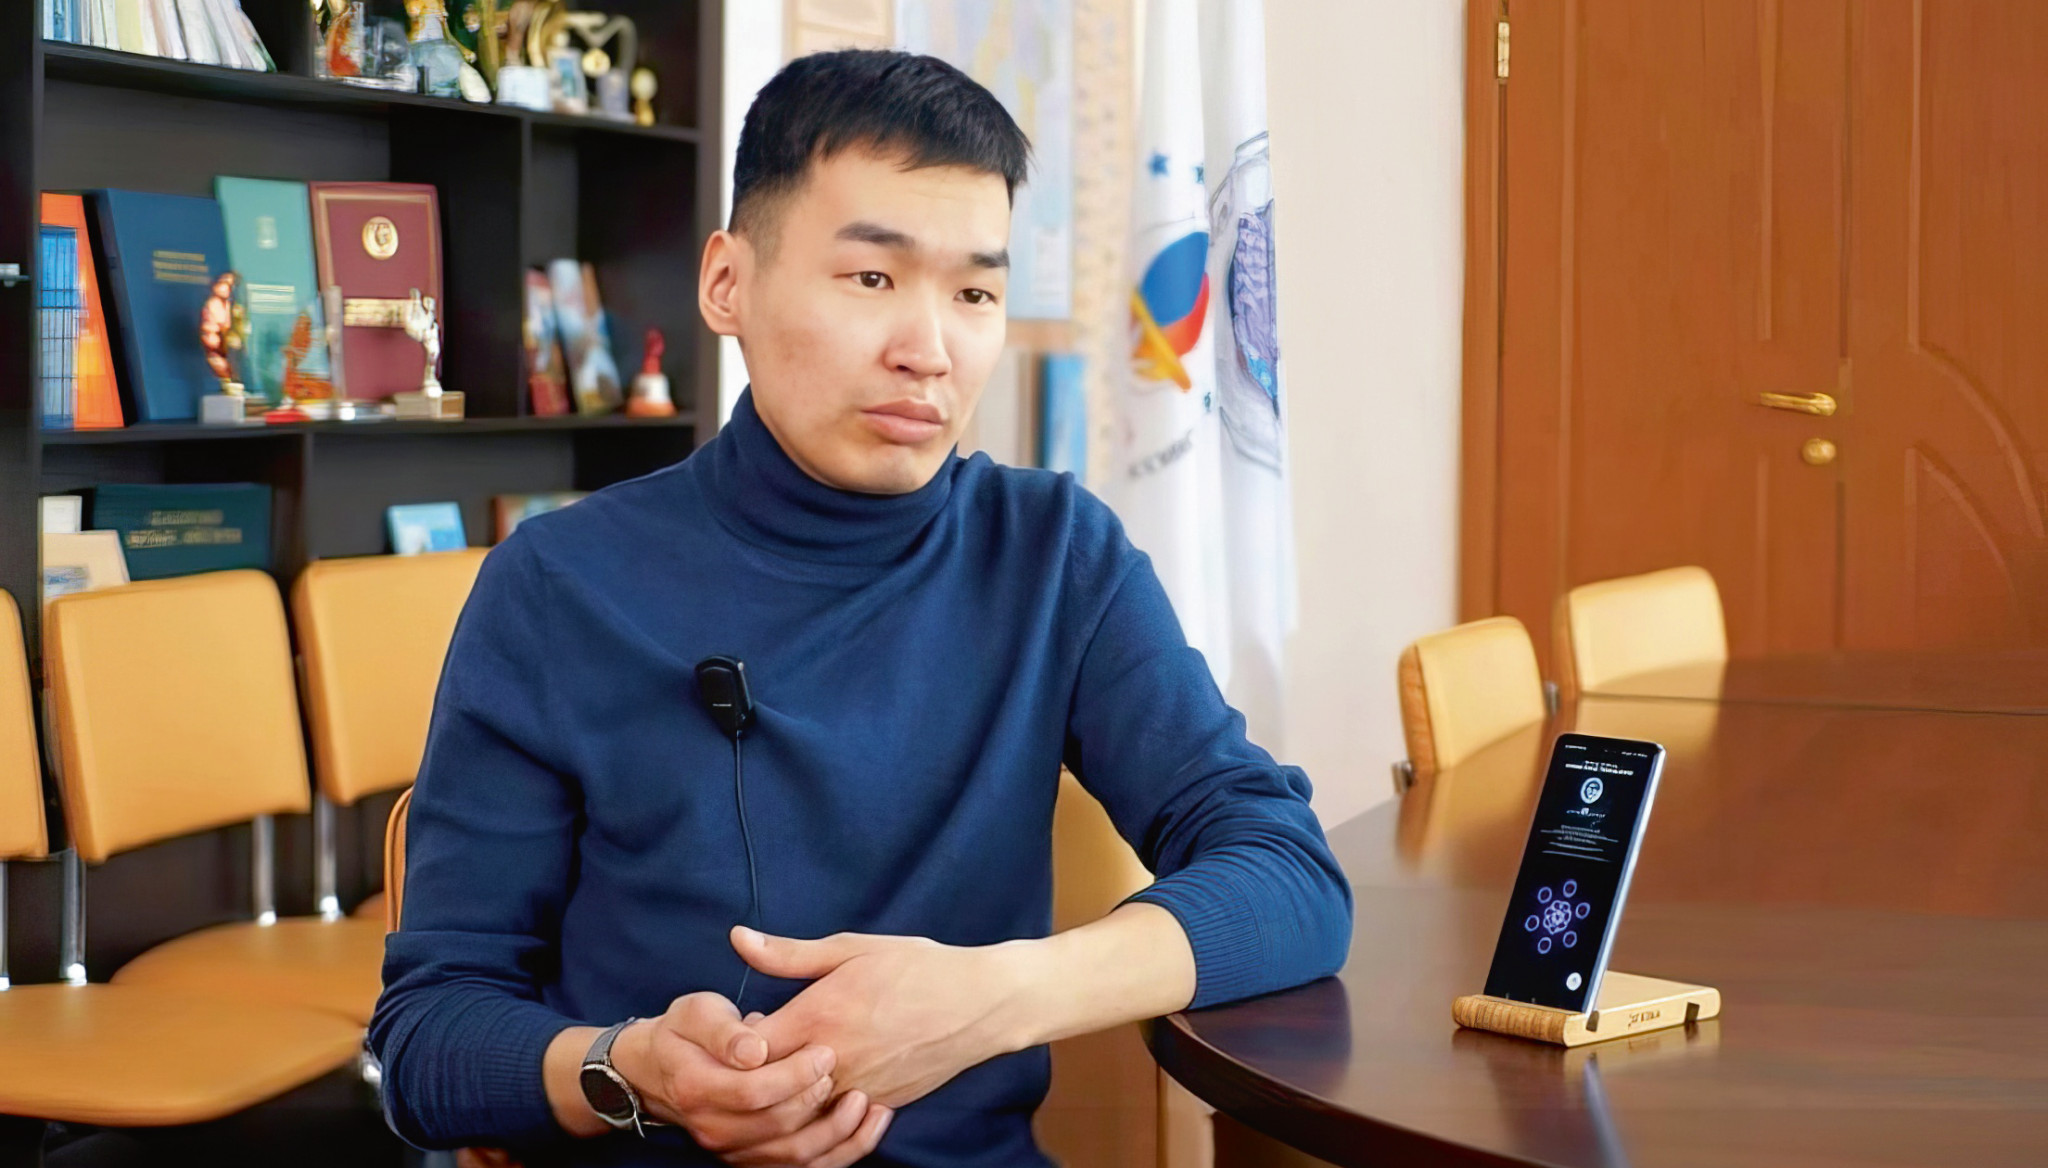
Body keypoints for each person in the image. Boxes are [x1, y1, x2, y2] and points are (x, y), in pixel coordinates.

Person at [369, 49, 1352, 1168]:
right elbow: (427, 1041)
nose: (927, 352)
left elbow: (1290, 880)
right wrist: (628, 1070)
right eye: (871, 278)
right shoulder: (554, 585)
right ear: (727, 283)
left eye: (974, 293)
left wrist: (990, 998)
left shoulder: (1052, 558)